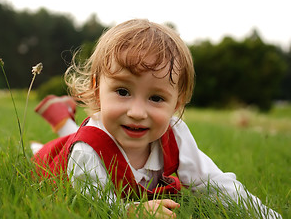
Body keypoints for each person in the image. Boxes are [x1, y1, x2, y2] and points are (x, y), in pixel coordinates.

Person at [32, 19, 281, 218]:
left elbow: (213, 181)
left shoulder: (175, 134)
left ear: (178, 102)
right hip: (64, 158)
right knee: (64, 146)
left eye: (157, 98)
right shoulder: (85, 151)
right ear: (97, 90)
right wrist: (132, 211)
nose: (138, 112)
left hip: (94, 145)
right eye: (122, 92)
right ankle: (58, 129)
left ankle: (63, 120)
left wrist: (265, 214)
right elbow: (91, 205)